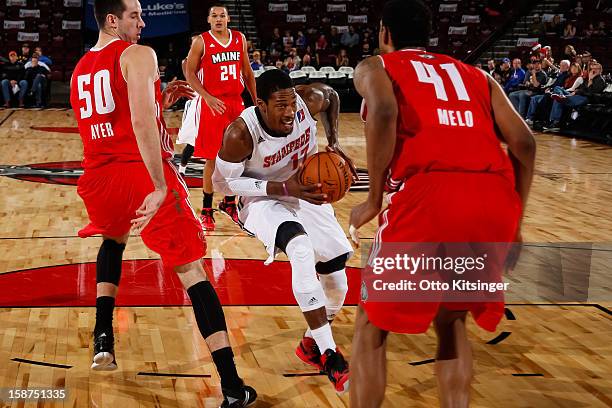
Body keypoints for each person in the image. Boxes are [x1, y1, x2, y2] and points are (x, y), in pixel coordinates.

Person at [348, 1, 535, 407]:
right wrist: (515, 223)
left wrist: (373, 199)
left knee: (371, 323)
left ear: (384, 34)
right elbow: (524, 143)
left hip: (429, 195)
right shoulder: (478, 75)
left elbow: (382, 110)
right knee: (452, 318)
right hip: (493, 198)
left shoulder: (377, 67)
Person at [69, 1, 256, 406]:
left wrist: (160, 99)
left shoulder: (81, 66)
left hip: (99, 177)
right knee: (192, 271)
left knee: (113, 240)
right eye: (135, 15)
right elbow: (137, 122)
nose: (143, 21)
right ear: (113, 20)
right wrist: (157, 184)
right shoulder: (138, 54)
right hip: (139, 173)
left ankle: (103, 337)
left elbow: (109, 115)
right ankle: (231, 386)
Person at [213, 69, 358, 393]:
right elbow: (220, 183)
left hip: (304, 189)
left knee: (337, 283)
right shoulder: (241, 133)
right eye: (280, 106)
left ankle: (310, 345)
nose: (290, 111)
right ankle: (330, 354)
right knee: (301, 249)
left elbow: (333, 97)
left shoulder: (307, 101)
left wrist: (333, 142)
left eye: (291, 103)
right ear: (260, 104)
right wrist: (280, 186)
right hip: (263, 199)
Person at [182, 4, 257, 230]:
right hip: (213, 104)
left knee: (238, 156)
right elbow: (190, 72)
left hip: (236, 103)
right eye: (213, 15)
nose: (218, 19)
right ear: (208, 19)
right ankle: (206, 209)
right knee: (212, 159)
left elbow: (247, 72)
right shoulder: (201, 42)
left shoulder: (239, 38)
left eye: (221, 15)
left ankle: (229, 202)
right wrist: (206, 96)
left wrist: (256, 100)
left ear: (228, 18)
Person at [544, 62, 606, 131]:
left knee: (558, 99)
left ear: (600, 70)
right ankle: (561, 97)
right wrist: (576, 91)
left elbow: (591, 93)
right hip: (577, 95)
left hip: (587, 99)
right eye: (592, 69)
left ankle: (555, 122)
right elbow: (581, 88)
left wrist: (590, 81)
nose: (593, 70)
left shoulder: (601, 80)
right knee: (557, 89)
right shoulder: (589, 78)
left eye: (596, 69)